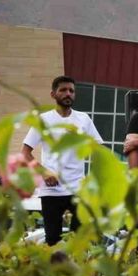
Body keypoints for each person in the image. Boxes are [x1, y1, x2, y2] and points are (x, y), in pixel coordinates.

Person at [22, 76, 103, 245]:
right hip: (52, 189)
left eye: (71, 91)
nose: (68, 94)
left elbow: (99, 150)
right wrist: (43, 172)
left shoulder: (83, 119)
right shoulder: (43, 120)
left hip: (78, 188)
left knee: (79, 239)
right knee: (53, 241)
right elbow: (25, 152)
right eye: (63, 90)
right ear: (53, 94)